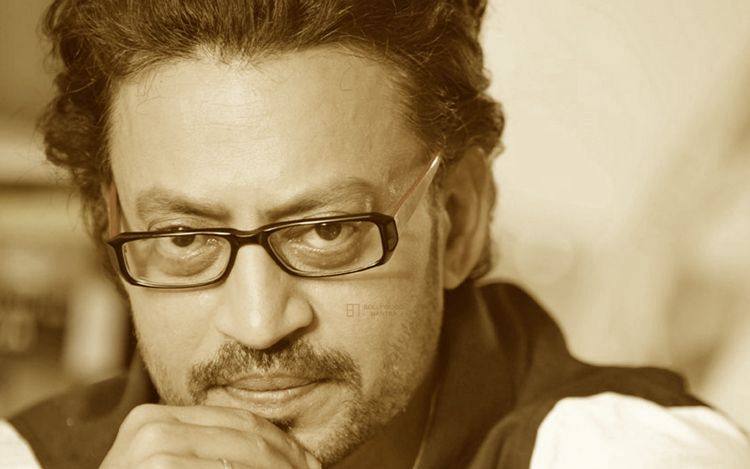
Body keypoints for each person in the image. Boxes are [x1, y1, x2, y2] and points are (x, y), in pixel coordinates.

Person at [2, 1, 749, 468]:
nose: (258, 324)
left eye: (328, 230)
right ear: (114, 223)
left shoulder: (627, 454)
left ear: (459, 218)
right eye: (183, 239)